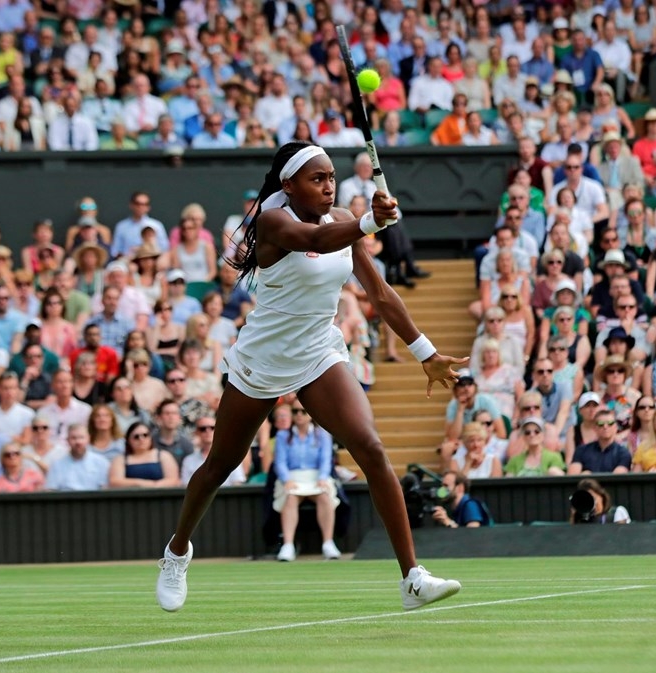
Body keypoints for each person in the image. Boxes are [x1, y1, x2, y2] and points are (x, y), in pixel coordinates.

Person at [156, 142, 463, 613]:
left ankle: (412, 578)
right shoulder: (272, 221)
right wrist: (371, 221)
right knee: (220, 465)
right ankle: (177, 552)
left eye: (331, 178)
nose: (328, 186)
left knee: (371, 447)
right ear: (288, 185)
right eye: (316, 179)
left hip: (319, 351)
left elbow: (378, 293)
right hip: (264, 357)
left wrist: (425, 351)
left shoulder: (339, 217)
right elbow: (317, 242)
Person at [271, 401, 342, 561]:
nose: (299, 415)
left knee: (325, 496)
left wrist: (323, 478)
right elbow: (280, 462)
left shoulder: (322, 434)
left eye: (303, 411)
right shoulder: (283, 435)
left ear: (310, 414)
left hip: (316, 477)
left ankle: (328, 543)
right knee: (290, 498)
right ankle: (288, 545)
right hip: (292, 477)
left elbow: (326, 460)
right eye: (295, 411)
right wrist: (286, 480)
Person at [44, 424, 110, 491]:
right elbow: (51, 490)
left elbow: (106, 489)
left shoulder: (101, 462)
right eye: (73, 438)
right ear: (67, 441)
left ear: (88, 439)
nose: (78, 442)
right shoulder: (57, 465)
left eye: (81, 437)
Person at [567, 408, 632, 474]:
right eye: (600, 424)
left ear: (616, 427)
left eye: (610, 423)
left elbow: (617, 478)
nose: (605, 427)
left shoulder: (623, 453)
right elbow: (573, 476)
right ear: (594, 428)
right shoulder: (581, 450)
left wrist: (589, 475)